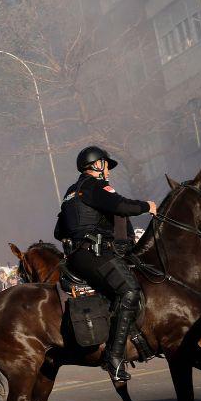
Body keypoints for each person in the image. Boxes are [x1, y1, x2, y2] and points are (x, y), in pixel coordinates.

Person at [54, 145, 158, 382]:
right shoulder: (95, 186)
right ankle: (114, 356)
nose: (108, 171)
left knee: (117, 292)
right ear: (96, 165)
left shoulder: (71, 192)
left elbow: (58, 230)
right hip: (96, 254)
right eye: (106, 165)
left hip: (78, 256)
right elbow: (121, 205)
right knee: (130, 291)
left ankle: (133, 337)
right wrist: (147, 206)